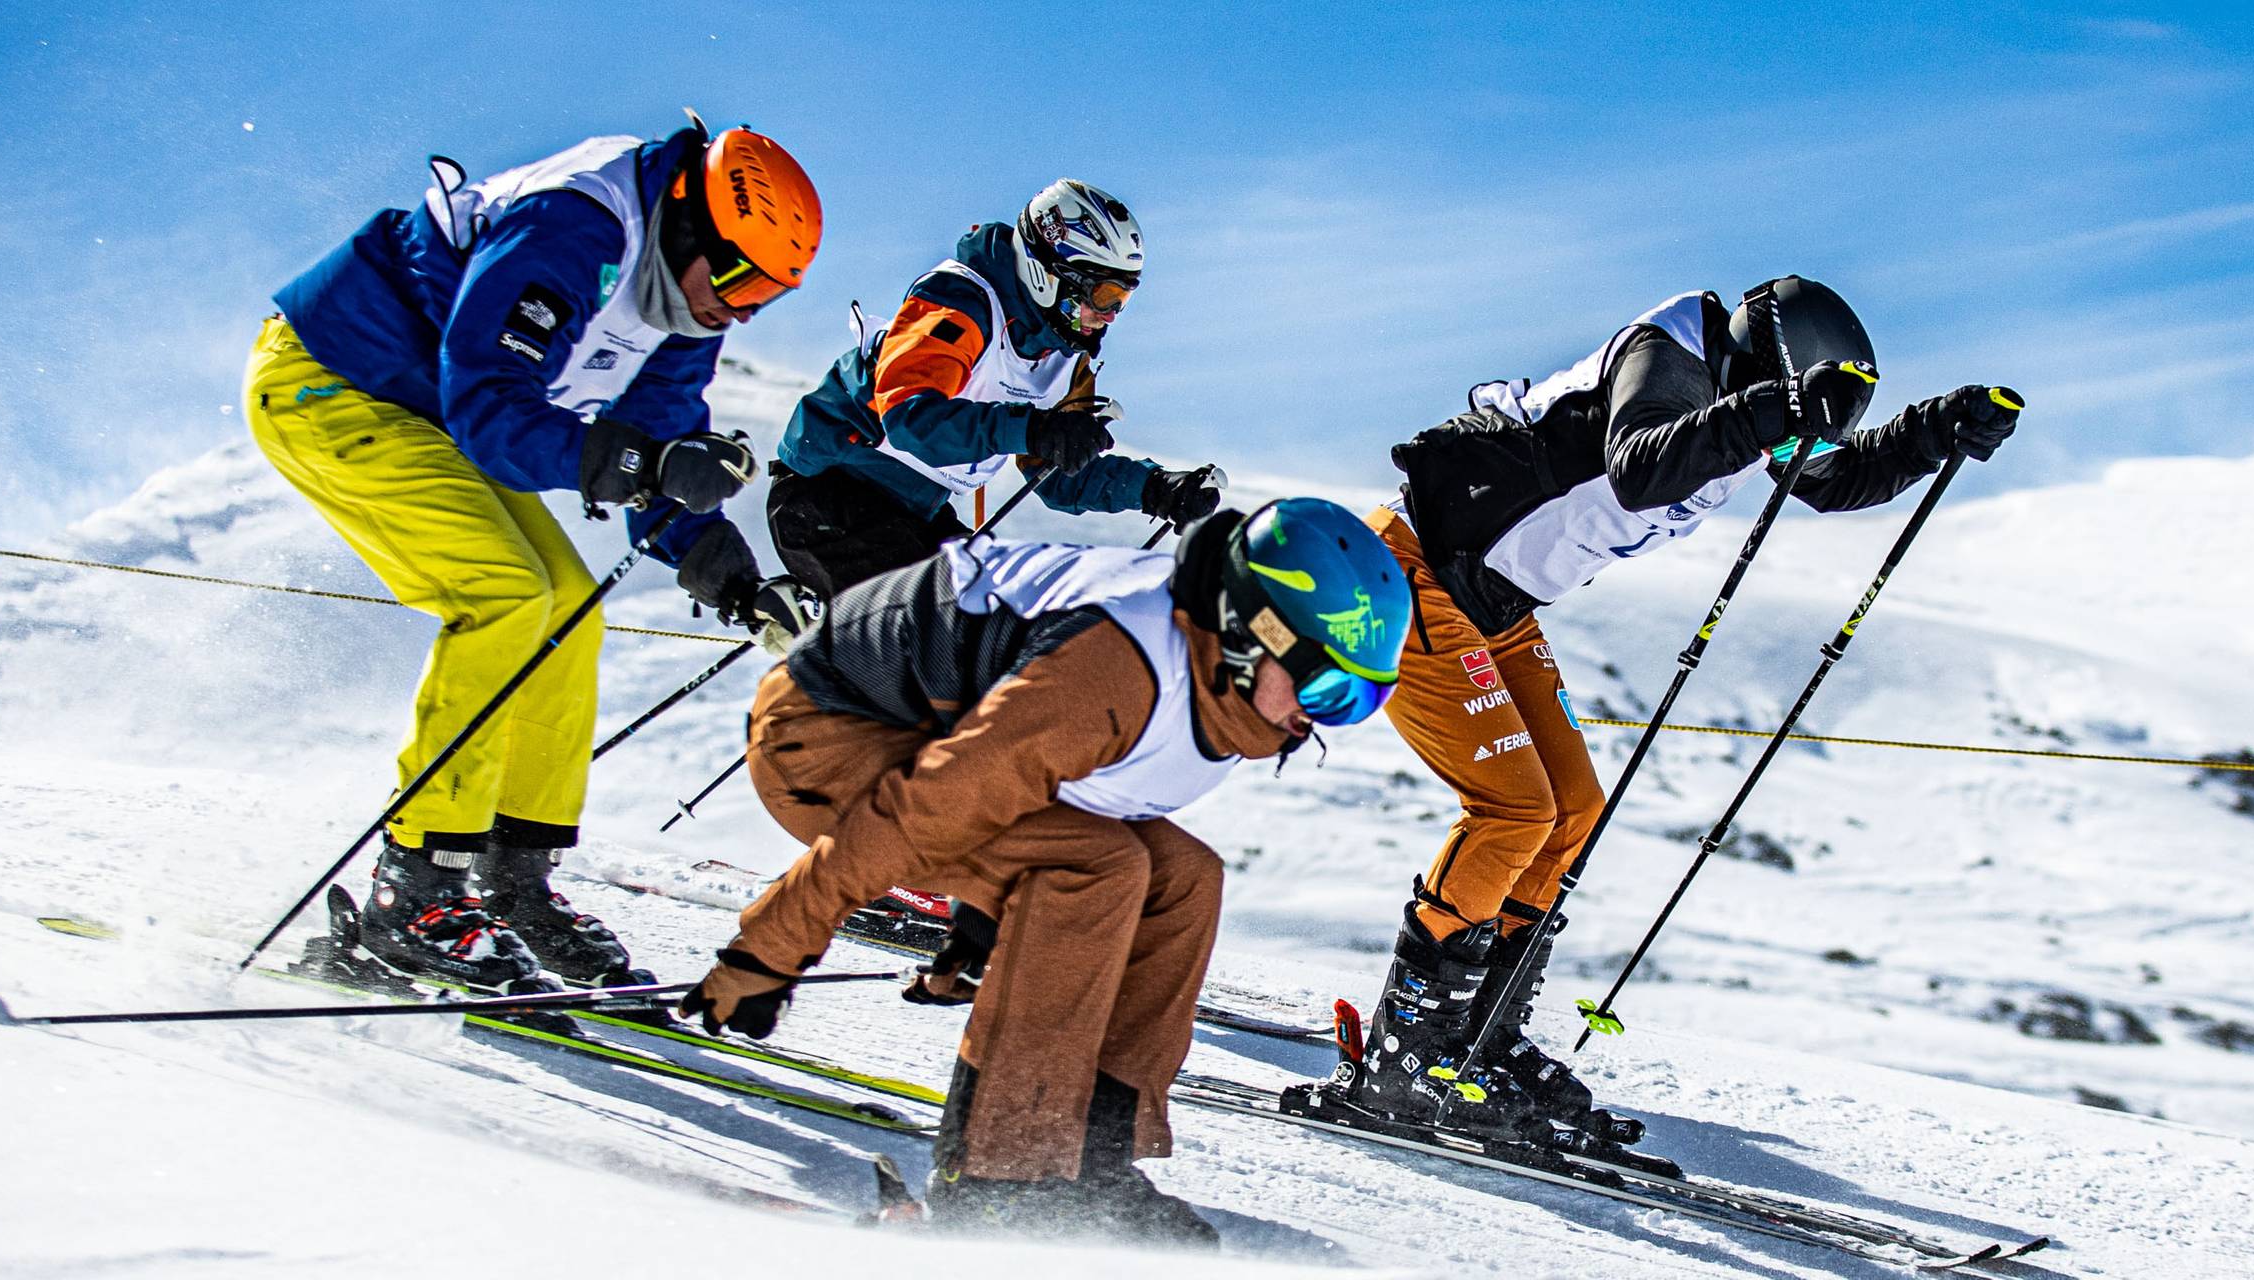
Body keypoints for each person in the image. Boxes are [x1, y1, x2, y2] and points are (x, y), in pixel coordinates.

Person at [1344, 276, 2024, 1137]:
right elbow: (1641, 468)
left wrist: (1933, 431)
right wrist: (1781, 410)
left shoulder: (1745, 405)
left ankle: (1482, 1039)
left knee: (1573, 812)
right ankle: (1409, 1053)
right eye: (1788, 405)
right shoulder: (1667, 355)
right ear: (1765, 366)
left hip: (1494, 606)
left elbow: (1832, 479)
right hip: (1408, 575)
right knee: (1515, 811)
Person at [678, 498, 1410, 1246]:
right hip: (820, 738)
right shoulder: (1116, 670)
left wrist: (986, 923)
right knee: (1096, 868)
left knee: (1184, 880)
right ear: (1255, 634)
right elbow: (929, 807)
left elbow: (1035, 776)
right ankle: (999, 1181)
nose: (1324, 719)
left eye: (1362, 700)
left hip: (936, 744)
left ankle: (1090, 1160)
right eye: (1328, 689)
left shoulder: (1207, 671)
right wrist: (769, 950)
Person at [244, 115, 821, 991]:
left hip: (429, 419)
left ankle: (510, 884)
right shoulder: (572, 226)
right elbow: (491, 408)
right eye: (740, 277)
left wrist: (734, 579)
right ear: (688, 221)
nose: (741, 308)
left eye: (769, 296)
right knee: (507, 593)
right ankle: (415, 886)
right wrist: (646, 463)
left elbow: (663, 437)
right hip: (332, 382)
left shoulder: (686, 306)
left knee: (569, 612)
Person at [766, 178, 1226, 601]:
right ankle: (833, 648)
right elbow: (911, 419)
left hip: (913, 513)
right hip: (829, 494)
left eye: (1122, 300)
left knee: (1005, 617)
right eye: (1104, 295)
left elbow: (1058, 475)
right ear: (1050, 273)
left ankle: (825, 631)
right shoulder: (959, 301)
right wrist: (1033, 429)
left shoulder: (1065, 360)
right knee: (945, 631)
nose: (1109, 316)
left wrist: (1154, 489)